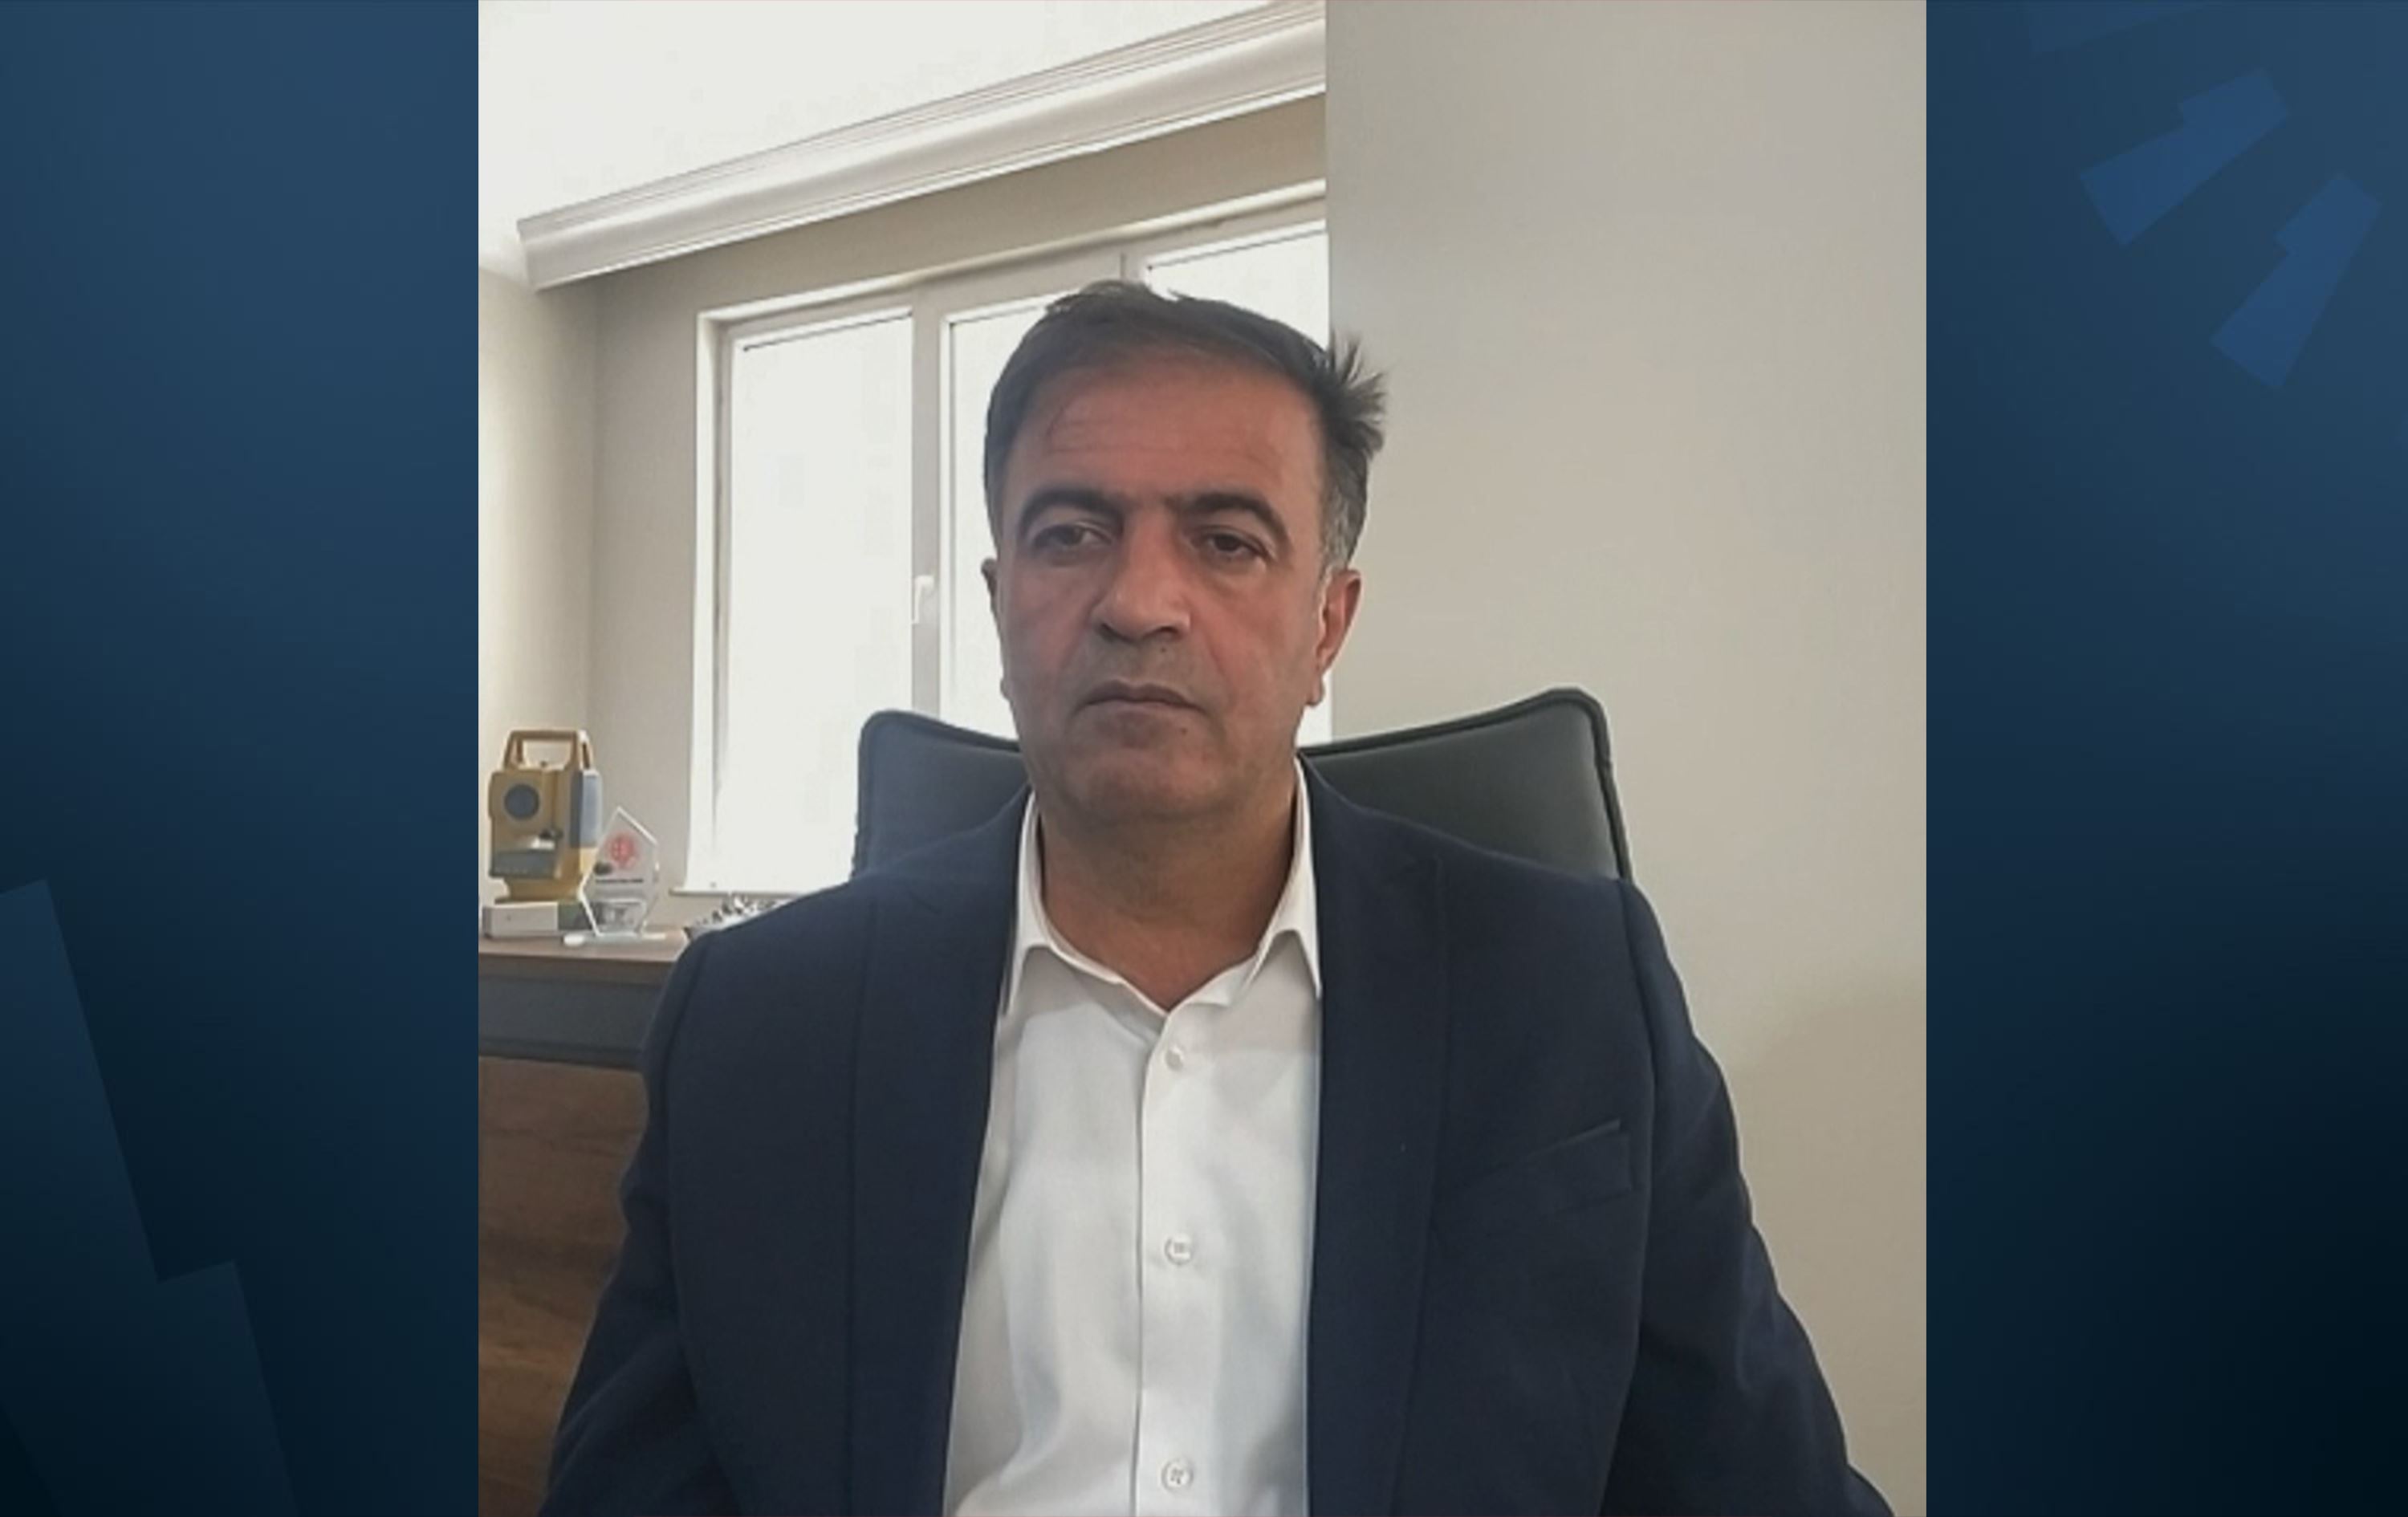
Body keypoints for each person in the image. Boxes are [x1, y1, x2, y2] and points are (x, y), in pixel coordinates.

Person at [543, 282, 1889, 1517]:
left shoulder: (1573, 997)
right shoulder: (764, 1022)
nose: (1140, 601)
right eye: (1072, 533)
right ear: (1001, 604)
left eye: (1227, 541)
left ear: (1327, 625)